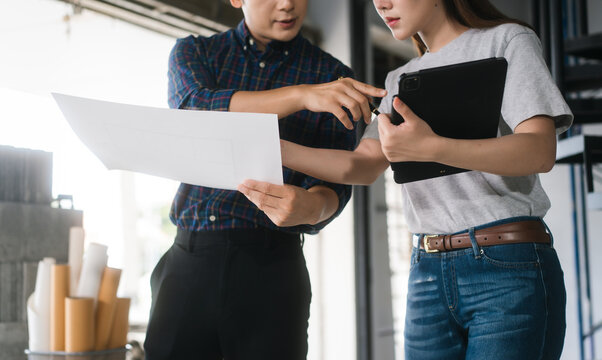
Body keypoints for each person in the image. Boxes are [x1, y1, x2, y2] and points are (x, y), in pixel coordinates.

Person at [245, 0, 573, 359]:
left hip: (507, 266)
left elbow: (539, 151)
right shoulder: (398, 80)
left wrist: (433, 147)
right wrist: (271, 148)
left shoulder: (507, 40)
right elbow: (362, 167)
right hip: (427, 273)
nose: (382, 4)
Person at [143, 0, 386, 359]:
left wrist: (312, 208)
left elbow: (336, 184)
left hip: (272, 268)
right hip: (189, 264)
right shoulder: (196, 52)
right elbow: (194, 108)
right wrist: (301, 95)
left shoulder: (333, 76)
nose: (287, 4)